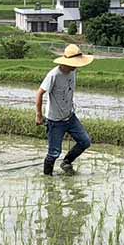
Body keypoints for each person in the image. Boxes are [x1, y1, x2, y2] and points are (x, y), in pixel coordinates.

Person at [35, 44, 94, 176]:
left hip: (70, 117)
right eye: (75, 63)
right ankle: (47, 179)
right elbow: (39, 93)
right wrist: (39, 115)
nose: (77, 66)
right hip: (55, 121)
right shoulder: (53, 75)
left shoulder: (73, 72)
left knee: (85, 141)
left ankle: (67, 162)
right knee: (54, 152)